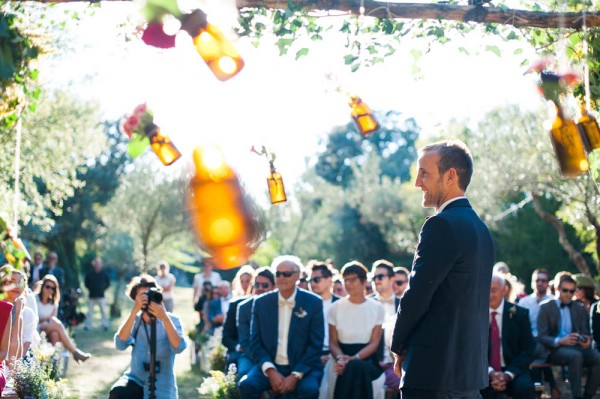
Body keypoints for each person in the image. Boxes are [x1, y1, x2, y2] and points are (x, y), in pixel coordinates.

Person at [390, 140, 495, 399]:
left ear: (450, 176)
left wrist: (398, 346)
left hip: (433, 372)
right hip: (468, 373)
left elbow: (417, 295)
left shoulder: (441, 225)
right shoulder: (481, 229)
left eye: (424, 172)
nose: (417, 182)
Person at [239, 255, 324, 399]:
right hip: (270, 365)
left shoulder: (313, 302)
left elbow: (315, 345)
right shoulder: (261, 303)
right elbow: (255, 343)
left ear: (297, 276)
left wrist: (295, 375)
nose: (281, 278)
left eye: (287, 274)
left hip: (302, 367)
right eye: (278, 274)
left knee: (310, 390)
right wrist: (271, 371)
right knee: (247, 385)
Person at [109, 274, 186, 399]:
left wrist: (164, 317)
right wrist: (134, 311)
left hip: (163, 385)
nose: (147, 299)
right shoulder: (135, 320)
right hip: (136, 380)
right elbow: (120, 344)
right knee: (118, 393)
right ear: (135, 299)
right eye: (143, 296)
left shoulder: (172, 320)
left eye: (150, 294)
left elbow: (179, 347)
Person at [326, 261, 385, 399]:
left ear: (364, 281)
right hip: (339, 357)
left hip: (367, 360)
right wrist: (341, 359)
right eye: (345, 280)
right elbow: (333, 342)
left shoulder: (377, 308)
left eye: (353, 279)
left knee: (356, 367)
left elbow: (374, 343)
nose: (348, 283)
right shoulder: (335, 308)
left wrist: (354, 359)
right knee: (350, 368)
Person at [538, 273, 600, 399]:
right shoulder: (545, 307)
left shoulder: (579, 308)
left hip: (577, 347)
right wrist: (560, 341)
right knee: (575, 356)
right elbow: (542, 336)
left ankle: (588, 395)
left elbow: (586, 332)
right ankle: (577, 396)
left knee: (597, 357)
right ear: (557, 289)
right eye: (565, 290)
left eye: (572, 291)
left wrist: (586, 340)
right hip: (554, 349)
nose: (569, 294)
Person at [481, 274, 535, 399]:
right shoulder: (477, 315)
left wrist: (508, 374)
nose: (489, 295)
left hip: (514, 369)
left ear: (504, 289)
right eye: (486, 290)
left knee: (525, 388)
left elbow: (528, 349)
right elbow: (473, 350)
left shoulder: (520, 314)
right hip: (484, 370)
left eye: (493, 290)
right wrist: (491, 372)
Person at [517, 268, 558, 399]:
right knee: (534, 348)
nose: (540, 283)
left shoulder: (554, 302)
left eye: (543, 280)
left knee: (539, 349)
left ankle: (538, 391)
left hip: (548, 342)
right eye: (537, 280)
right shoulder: (524, 302)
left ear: (548, 283)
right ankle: (552, 385)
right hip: (529, 341)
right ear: (532, 283)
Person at [35, 275, 90, 362]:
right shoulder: (35, 299)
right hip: (36, 327)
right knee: (58, 325)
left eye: (53, 288)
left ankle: (52, 362)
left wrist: (46, 321)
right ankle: (74, 352)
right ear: (42, 287)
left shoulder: (53, 303)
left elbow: (52, 319)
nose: (50, 290)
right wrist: (43, 321)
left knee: (55, 334)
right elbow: (34, 318)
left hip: (47, 328)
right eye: (47, 287)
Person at [236, 267, 276, 378]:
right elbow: (245, 341)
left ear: (274, 286)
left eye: (264, 285)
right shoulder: (244, 307)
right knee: (245, 375)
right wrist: (264, 361)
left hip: (276, 356)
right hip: (250, 355)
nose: (259, 288)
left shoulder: (280, 306)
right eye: (257, 285)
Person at [370, 259, 400, 394]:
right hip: (373, 363)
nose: (376, 280)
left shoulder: (403, 304)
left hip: (398, 363)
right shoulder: (367, 305)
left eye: (380, 277)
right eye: (374, 277)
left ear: (392, 279)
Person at [1, 266, 39, 359]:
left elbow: (19, 355)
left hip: (15, 361)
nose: (17, 286)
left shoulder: (26, 313)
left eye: (20, 283)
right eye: (11, 282)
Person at [84, 257, 110, 331]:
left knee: (104, 311)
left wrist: (102, 289)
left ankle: (105, 325)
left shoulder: (104, 274)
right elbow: (86, 284)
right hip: (91, 295)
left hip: (101, 295)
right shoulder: (90, 274)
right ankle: (88, 325)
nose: (97, 265)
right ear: (93, 264)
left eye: (99, 263)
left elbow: (108, 283)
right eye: (96, 263)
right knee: (90, 312)